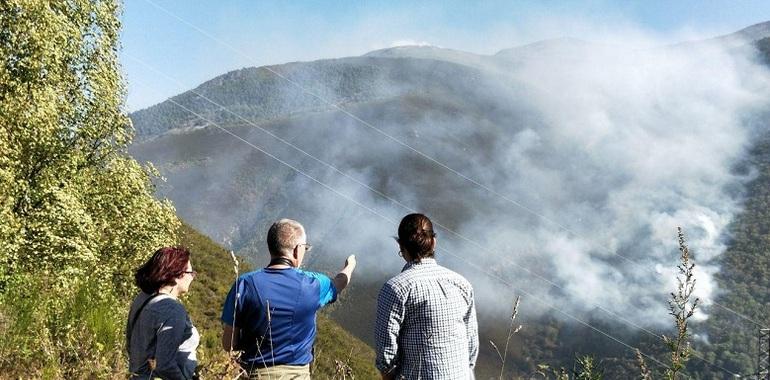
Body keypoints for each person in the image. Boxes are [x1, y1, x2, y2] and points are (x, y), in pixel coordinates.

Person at [221, 218, 357, 379]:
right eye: (305, 248)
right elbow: (339, 284)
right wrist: (350, 266)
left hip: (253, 373)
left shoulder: (244, 284)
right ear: (297, 250)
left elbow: (229, 344)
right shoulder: (313, 284)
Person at [375, 213, 479, 380]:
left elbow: (385, 352)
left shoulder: (395, 288)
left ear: (401, 246)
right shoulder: (461, 284)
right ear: (434, 242)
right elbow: (471, 346)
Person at [127, 247, 199, 380]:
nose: (193, 277)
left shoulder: (143, 298)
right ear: (178, 275)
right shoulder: (172, 309)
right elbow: (164, 365)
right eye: (191, 273)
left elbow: (130, 343)